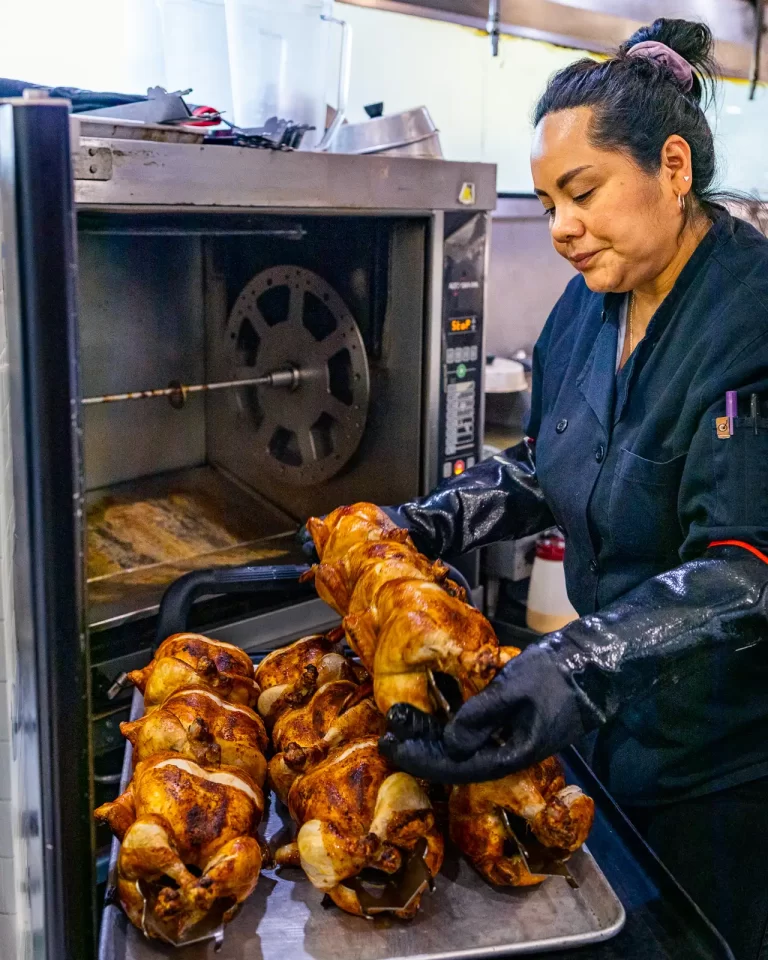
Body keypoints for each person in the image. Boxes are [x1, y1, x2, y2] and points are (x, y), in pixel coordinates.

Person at [376, 18, 768, 960]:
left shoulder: (747, 319)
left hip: (719, 776)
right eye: (548, 201)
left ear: (673, 166)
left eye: (580, 193)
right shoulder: (594, 300)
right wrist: (431, 523)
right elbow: (552, 457)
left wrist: (573, 664)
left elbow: (745, 570)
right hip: (603, 741)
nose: (559, 230)